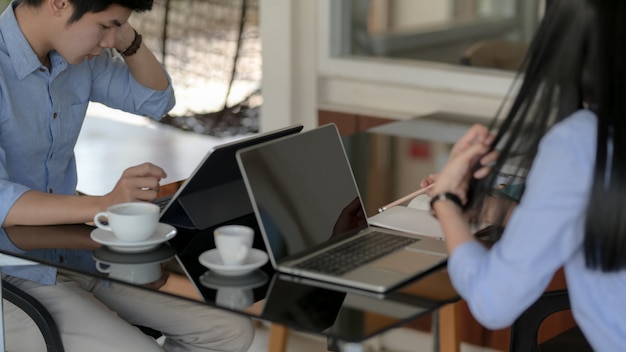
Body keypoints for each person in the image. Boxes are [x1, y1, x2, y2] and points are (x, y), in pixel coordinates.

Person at [0, 0, 254, 351]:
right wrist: (106, 205)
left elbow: (156, 100)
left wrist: (127, 38)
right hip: (14, 270)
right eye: (106, 25)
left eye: (117, 28)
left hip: (74, 253)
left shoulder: (75, 57)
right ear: (59, 3)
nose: (110, 40)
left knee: (231, 331)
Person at [427, 0, 626, 350]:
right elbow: (596, 218)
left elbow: (493, 301)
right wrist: (489, 208)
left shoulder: (579, 142)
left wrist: (445, 202)